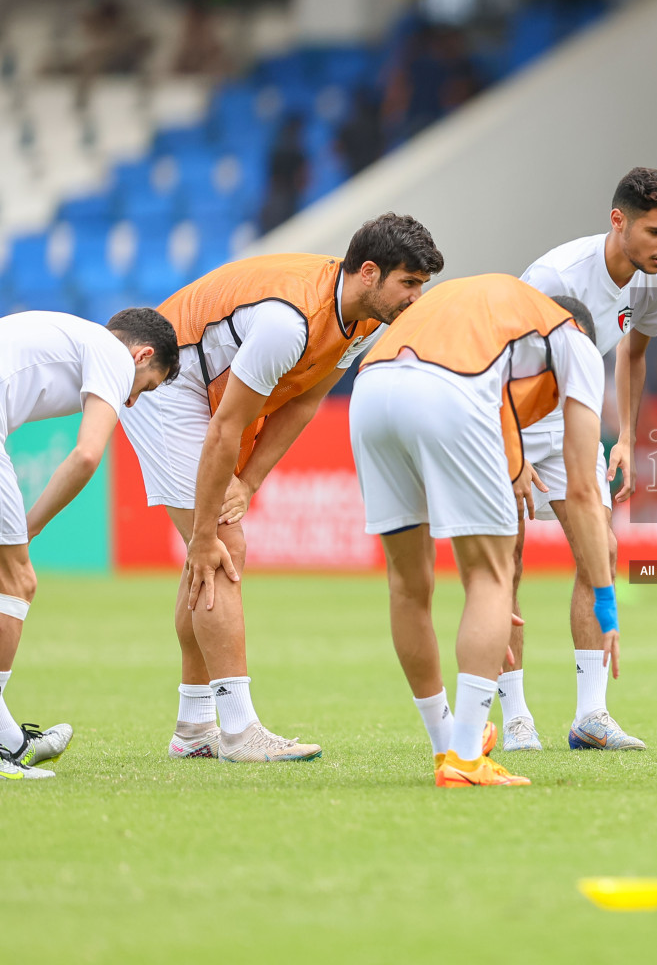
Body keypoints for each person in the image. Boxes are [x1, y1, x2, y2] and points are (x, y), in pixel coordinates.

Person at [120, 214, 443, 764]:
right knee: (221, 547)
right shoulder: (287, 324)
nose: (416, 298)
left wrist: (249, 481)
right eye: (408, 284)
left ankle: (195, 726)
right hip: (166, 384)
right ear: (369, 273)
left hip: (208, 391)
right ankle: (239, 730)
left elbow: (304, 402)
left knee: (211, 552)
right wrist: (204, 531)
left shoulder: (364, 320)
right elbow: (225, 425)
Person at [351, 277, 611, 787]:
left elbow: (503, 405)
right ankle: (467, 758)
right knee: (492, 578)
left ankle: (444, 745)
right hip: (446, 390)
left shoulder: (487, 309)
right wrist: (606, 598)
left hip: (369, 390)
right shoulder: (575, 342)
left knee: (407, 585)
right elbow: (582, 490)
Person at [501, 168, 657, 753]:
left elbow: (632, 358)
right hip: (509, 411)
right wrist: (512, 450)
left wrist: (625, 437)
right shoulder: (553, 277)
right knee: (505, 564)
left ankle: (591, 716)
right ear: (618, 221)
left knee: (599, 550)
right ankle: (515, 717)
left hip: (569, 416)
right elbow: (498, 366)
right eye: (656, 231)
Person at [0, 308, 178, 780]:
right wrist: (30, 528)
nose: (135, 400)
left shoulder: (74, 337)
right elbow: (85, 455)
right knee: (17, 580)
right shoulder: (112, 354)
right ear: (141, 355)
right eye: (148, 386)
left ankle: (12, 741)